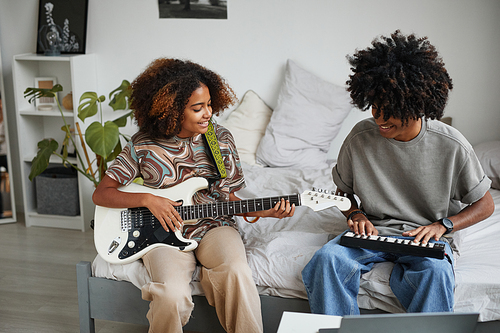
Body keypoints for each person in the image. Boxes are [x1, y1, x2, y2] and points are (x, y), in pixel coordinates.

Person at [92, 58, 295, 333]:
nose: (208, 113)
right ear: (172, 110)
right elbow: (102, 194)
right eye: (197, 108)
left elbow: (228, 199)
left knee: (237, 273)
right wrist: (148, 199)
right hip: (162, 233)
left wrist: (264, 210)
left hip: (214, 226)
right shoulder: (143, 144)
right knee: (170, 295)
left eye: (210, 104)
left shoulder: (220, 138)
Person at [301, 30, 495, 316]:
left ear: (416, 105)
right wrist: (355, 215)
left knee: (435, 275)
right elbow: (344, 193)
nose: (379, 117)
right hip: (371, 233)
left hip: (425, 238)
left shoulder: (452, 145)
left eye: (389, 109)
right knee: (326, 261)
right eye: (375, 106)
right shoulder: (359, 137)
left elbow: (486, 204)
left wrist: (443, 225)